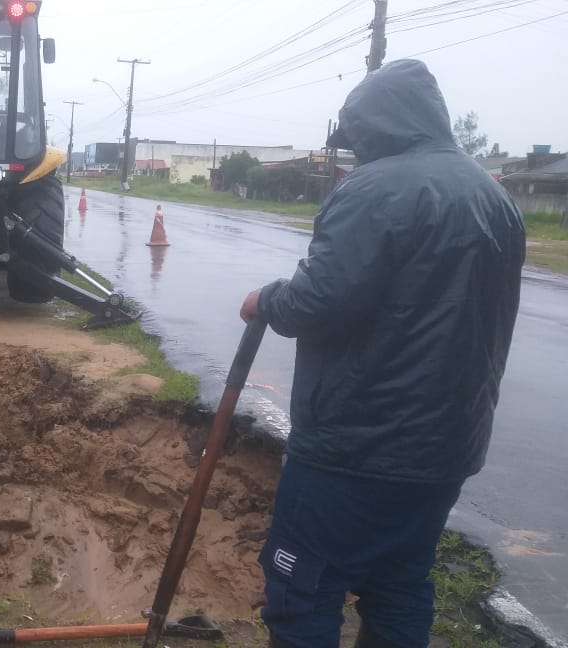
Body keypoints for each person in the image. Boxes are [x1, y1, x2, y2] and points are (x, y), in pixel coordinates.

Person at [239, 59, 525, 648]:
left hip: (355, 445)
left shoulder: (373, 191)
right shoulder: (493, 198)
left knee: (302, 588)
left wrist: (266, 299)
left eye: (357, 139)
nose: (355, 153)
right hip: (446, 446)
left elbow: (317, 300)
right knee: (399, 584)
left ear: (372, 128)